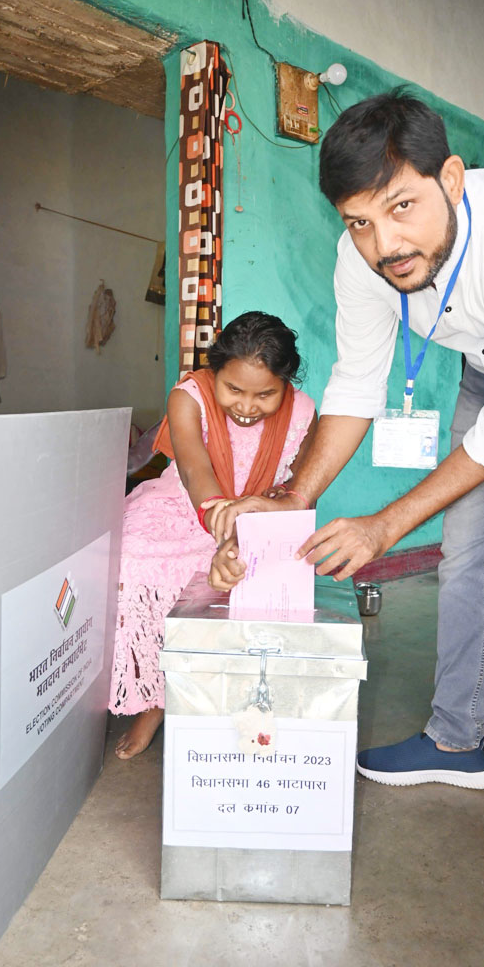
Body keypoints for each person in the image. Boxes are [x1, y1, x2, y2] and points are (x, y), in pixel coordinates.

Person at [212, 90, 484, 907]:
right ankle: (457, 739)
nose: (384, 244)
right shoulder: (364, 257)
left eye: (401, 207)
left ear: (451, 176)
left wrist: (383, 522)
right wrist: (294, 496)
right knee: (463, 552)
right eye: (358, 221)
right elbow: (353, 381)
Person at [109, 311, 316, 759]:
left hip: (258, 518)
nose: (246, 406)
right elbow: (193, 470)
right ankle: (155, 700)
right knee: (130, 563)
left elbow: (297, 487)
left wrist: (252, 529)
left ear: (287, 385)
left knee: (257, 582)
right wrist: (219, 519)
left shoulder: (303, 411)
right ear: (213, 372)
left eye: (265, 394)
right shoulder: (187, 396)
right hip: (189, 507)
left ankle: (207, 696)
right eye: (233, 389)